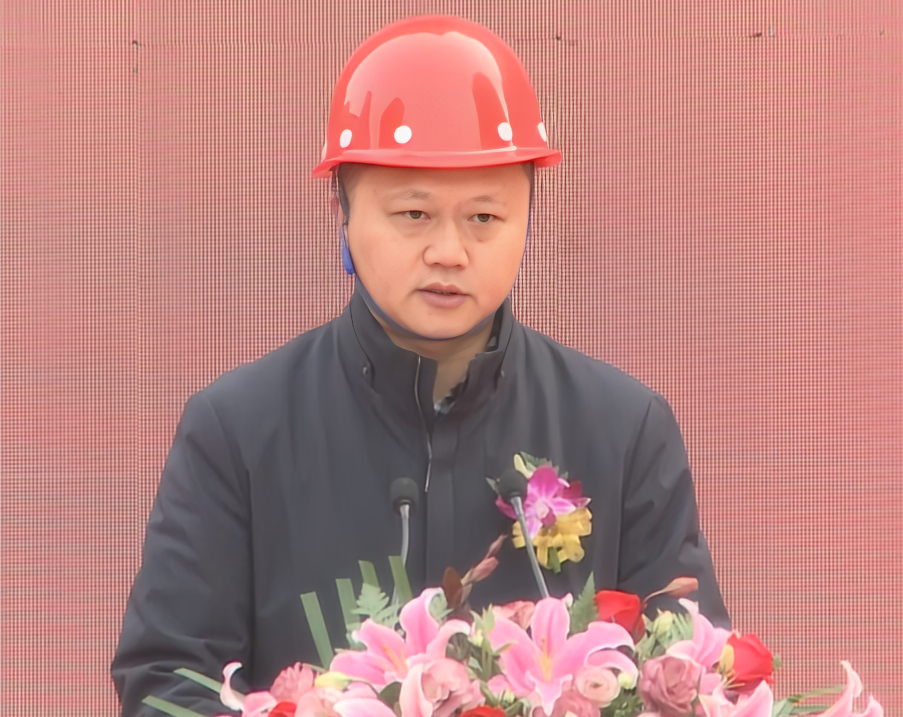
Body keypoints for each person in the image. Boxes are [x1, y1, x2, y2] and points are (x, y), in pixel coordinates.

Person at [112, 15, 729, 716]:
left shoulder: (623, 430)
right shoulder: (238, 432)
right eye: (413, 214)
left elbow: (697, 679)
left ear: (529, 220)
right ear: (342, 211)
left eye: (484, 218)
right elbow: (166, 683)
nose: (448, 252)